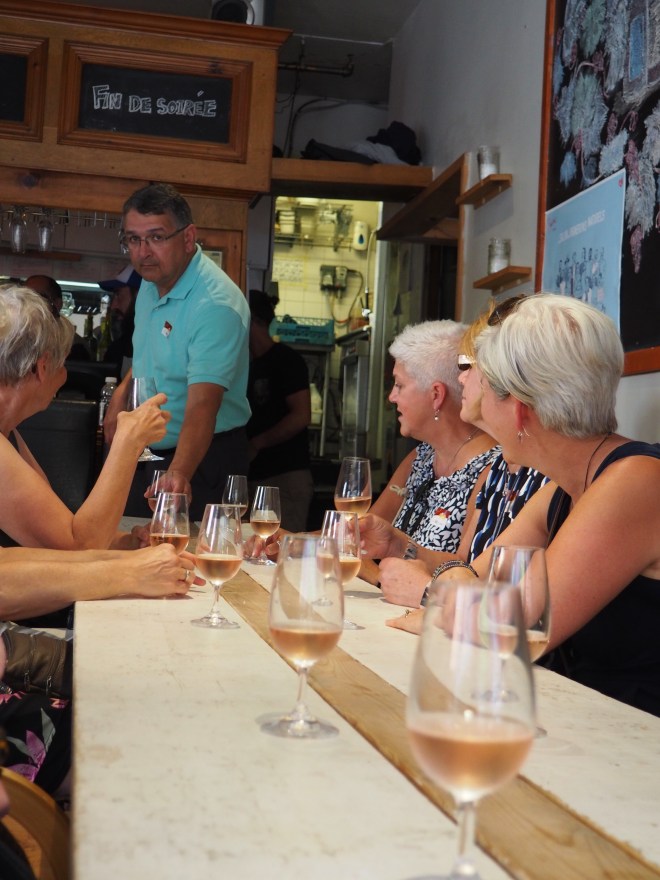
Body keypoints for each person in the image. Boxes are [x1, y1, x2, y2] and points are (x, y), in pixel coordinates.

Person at [388, 293, 660, 717]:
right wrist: (457, 593)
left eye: (484, 389)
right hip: (576, 719)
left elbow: (511, 624)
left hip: (632, 742)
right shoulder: (565, 485)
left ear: (518, 409)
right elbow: (474, 576)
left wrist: (436, 594)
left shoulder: (637, 481)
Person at [366, 306, 549, 607]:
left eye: (468, 366)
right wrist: (396, 547)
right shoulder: (506, 466)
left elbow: (527, 613)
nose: (460, 379)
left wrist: (425, 592)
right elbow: (467, 570)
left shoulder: (533, 473)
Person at [103, 183, 251, 520]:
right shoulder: (151, 283)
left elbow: (203, 404)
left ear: (188, 238)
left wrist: (179, 473)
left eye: (156, 237)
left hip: (201, 457)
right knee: (126, 539)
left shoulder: (215, 305)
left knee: (190, 552)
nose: (143, 252)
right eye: (133, 239)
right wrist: (120, 394)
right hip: (149, 449)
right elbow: (152, 353)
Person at [0, 283, 169, 551]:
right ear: (42, 367)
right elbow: (78, 547)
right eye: (62, 364)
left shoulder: (9, 433)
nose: (64, 375)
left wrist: (127, 542)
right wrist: (128, 442)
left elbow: (59, 530)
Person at [246, 289, 313, 531]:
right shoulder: (248, 365)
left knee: (283, 548)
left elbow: (301, 416)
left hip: (285, 477)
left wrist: (256, 443)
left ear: (251, 320)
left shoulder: (286, 360)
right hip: (256, 477)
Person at [24, 275, 89, 361]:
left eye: (38, 297)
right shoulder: (15, 339)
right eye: (24, 297)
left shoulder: (75, 347)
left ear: (57, 304)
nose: (29, 303)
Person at [97, 264, 141, 377]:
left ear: (139, 296)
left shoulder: (159, 344)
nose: (113, 306)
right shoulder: (119, 347)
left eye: (118, 295)